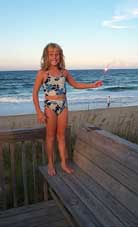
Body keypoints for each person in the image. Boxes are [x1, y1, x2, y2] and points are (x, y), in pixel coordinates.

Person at [32, 42, 103, 176]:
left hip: (63, 105)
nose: (55, 57)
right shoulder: (42, 73)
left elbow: (75, 84)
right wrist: (39, 112)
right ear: (46, 56)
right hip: (50, 107)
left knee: (61, 136)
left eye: (57, 54)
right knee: (50, 137)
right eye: (51, 54)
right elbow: (34, 93)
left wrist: (93, 85)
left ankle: (64, 163)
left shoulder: (64, 72)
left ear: (61, 56)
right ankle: (51, 164)